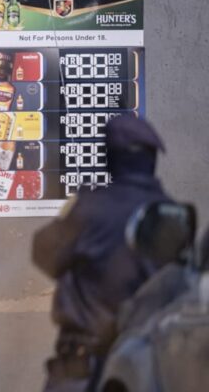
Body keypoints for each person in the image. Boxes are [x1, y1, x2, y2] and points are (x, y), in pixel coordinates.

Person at [32, 115, 172, 392]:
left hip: (82, 366)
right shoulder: (169, 213)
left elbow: (43, 253)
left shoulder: (88, 208)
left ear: (110, 157)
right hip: (147, 366)